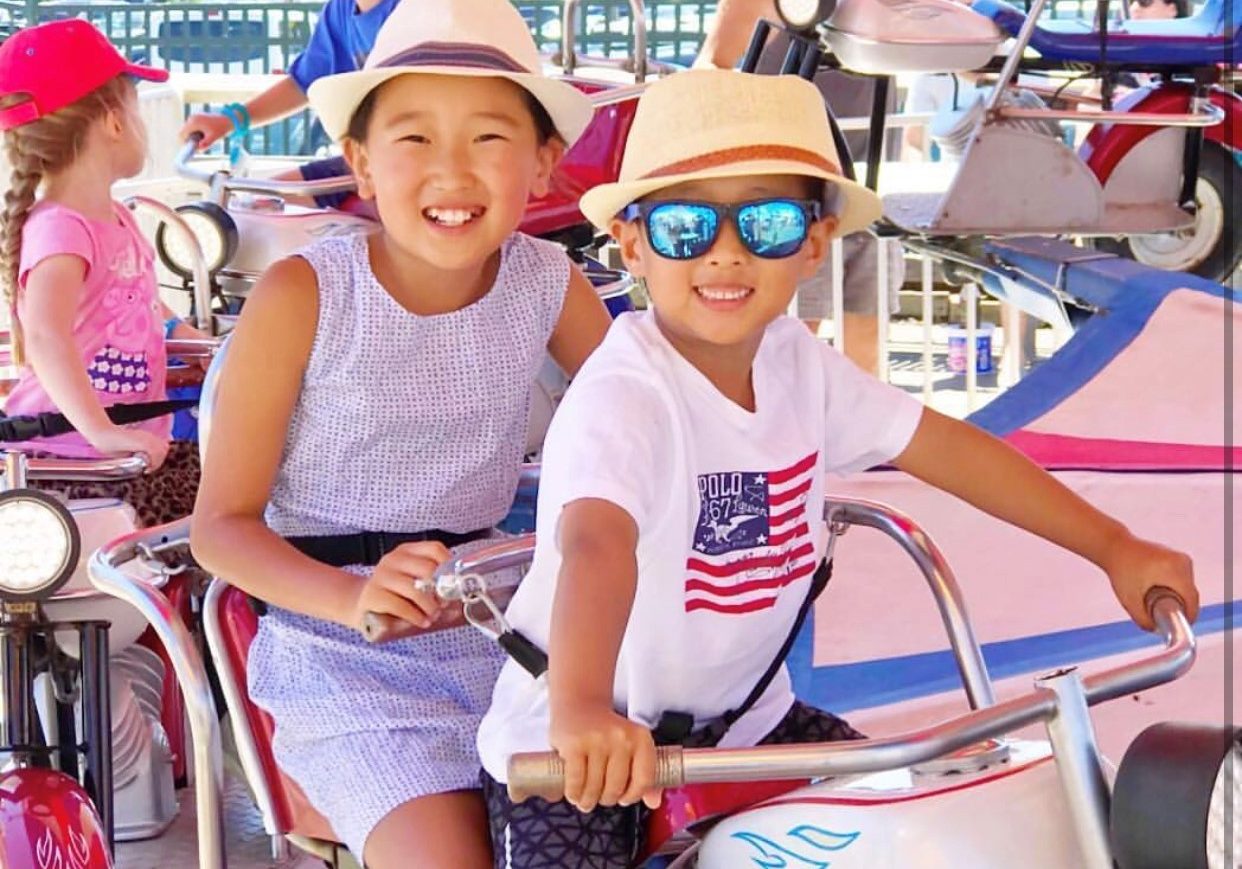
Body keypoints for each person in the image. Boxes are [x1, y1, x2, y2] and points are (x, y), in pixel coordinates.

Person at [475, 69, 1199, 869]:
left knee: (909, 834)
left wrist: (1112, 545)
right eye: (686, 226)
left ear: (814, 241)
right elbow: (596, 545)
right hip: (583, 742)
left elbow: (947, 447)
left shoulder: (800, 365)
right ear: (634, 245)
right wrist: (580, 710)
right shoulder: (627, 394)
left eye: (768, 222)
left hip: (749, 724)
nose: (725, 253)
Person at [188, 0, 610, 865]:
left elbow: (637, 425)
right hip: (336, 649)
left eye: (490, 138)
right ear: (361, 165)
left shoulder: (549, 280)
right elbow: (219, 528)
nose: (452, 171)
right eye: (414, 138)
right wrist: (352, 598)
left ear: (543, 163)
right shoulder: (303, 294)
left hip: (502, 631)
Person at [0, 20, 211, 526]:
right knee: (215, 521)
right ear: (114, 122)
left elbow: (142, 308)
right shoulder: (61, 231)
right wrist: (100, 430)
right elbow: (48, 336)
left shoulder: (117, 219)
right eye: (136, 107)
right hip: (71, 458)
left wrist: (197, 345)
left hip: (123, 446)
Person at [695, 0, 903, 376]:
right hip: (789, 198)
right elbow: (710, 68)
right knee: (787, 345)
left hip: (871, 193)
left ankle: (857, 435)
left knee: (866, 340)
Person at [179, 0, 398, 208]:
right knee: (256, 204)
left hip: (403, 162)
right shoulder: (340, 10)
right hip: (366, 160)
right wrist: (231, 120)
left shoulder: (415, 9)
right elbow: (303, 82)